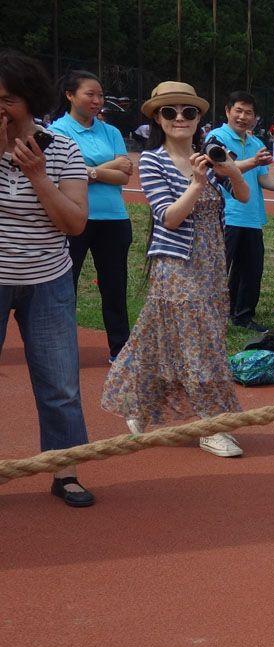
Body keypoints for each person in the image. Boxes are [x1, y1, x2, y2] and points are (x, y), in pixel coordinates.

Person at [101, 80, 250, 458]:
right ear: (157, 118)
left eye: (189, 111)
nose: (180, 118)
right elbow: (167, 217)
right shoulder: (153, 161)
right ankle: (210, 426)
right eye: (170, 112)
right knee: (202, 345)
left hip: (212, 264)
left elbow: (243, 196)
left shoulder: (208, 156)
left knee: (163, 341)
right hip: (176, 266)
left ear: (199, 118)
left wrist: (231, 170)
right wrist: (197, 184)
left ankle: (139, 404)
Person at [0, 49, 93, 506]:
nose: (0, 109)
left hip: (48, 280)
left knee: (60, 382)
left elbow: (74, 223)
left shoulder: (62, 149)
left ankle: (65, 469)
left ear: (30, 100)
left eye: (7, 99)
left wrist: (38, 175)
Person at [49, 70, 133, 363]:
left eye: (100, 95)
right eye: (90, 94)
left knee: (114, 287)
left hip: (114, 219)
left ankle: (120, 349)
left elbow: (125, 174)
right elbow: (61, 174)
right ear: (70, 95)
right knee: (64, 286)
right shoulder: (57, 131)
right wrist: (106, 169)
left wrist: (88, 170)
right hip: (74, 217)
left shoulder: (111, 132)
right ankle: (61, 349)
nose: (97, 100)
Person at [209, 90, 274, 333]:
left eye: (248, 113)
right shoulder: (216, 137)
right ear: (227, 111)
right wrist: (253, 161)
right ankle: (212, 315)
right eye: (238, 111)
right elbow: (221, 167)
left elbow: (263, 179)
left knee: (251, 271)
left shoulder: (256, 144)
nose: (243, 117)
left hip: (251, 217)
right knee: (220, 268)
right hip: (227, 215)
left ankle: (243, 315)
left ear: (254, 117)